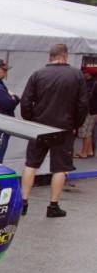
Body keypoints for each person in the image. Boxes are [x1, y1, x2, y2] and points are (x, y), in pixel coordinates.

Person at [20, 44, 89, 218]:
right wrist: (76, 124)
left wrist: (31, 120)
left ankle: (23, 202)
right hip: (63, 127)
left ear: (50, 57)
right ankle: (53, 205)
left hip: (39, 127)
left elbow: (26, 102)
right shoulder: (76, 75)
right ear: (65, 56)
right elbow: (82, 105)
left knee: (31, 163)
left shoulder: (38, 74)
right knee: (60, 167)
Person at [75, 70, 95, 158]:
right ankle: (89, 151)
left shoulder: (91, 84)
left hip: (89, 111)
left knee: (85, 133)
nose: (83, 74)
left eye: (84, 72)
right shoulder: (93, 82)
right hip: (93, 111)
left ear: (89, 73)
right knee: (89, 132)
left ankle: (84, 153)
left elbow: (87, 98)